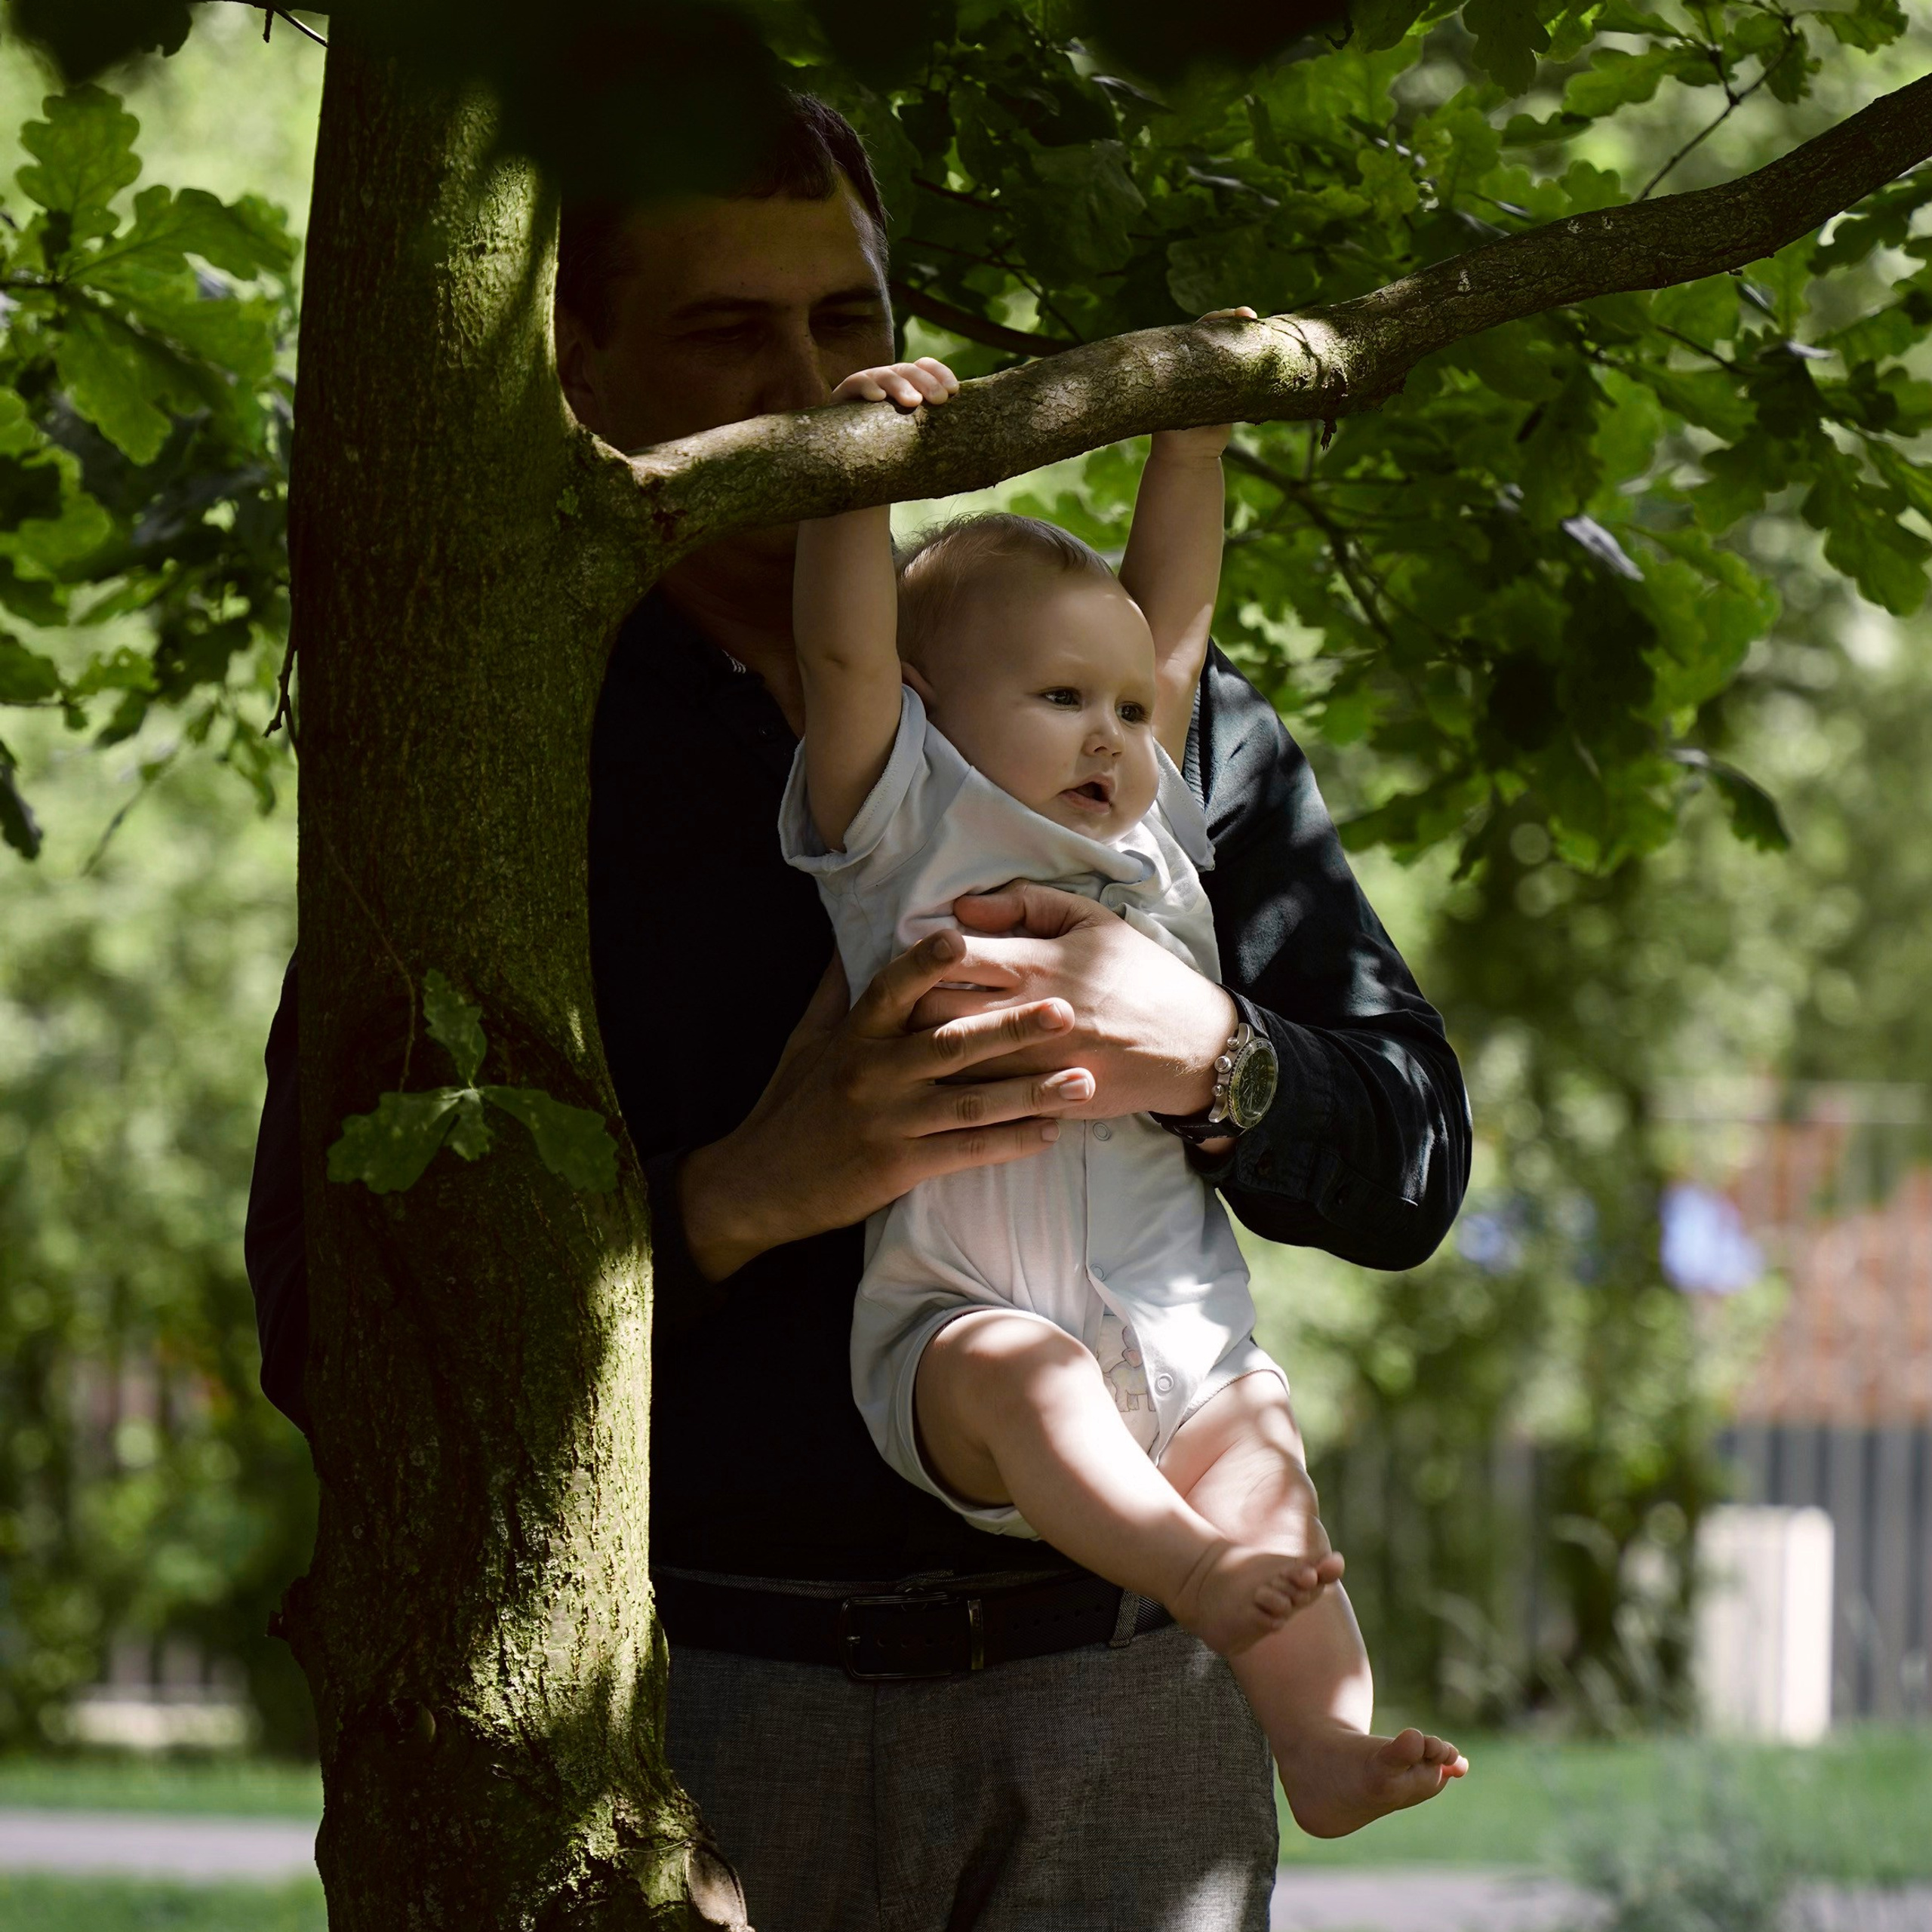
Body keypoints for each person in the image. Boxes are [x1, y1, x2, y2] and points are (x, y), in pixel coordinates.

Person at [245, 95, 1472, 1931]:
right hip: (716, 1701)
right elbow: (332, 1295)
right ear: (574, 355)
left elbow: (1411, 1157)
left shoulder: (1133, 711)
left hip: (1129, 1687)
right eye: (729, 332)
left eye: (846, 317)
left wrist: (1214, 1052)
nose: (814, 375)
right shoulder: (503, 758)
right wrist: (734, 1195)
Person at [783, 350, 1466, 1836]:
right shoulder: (897, 818)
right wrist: (855, 470)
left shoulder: (1152, 830)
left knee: (1257, 1448)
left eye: (1125, 709)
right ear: (924, 709)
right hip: (956, 1318)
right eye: (1056, 696)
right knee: (1035, 1378)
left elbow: (1173, 635)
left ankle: (1323, 1746)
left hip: (1169, 1310)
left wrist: (1192, 436)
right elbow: (839, 654)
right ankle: (1187, 1568)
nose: (1111, 732)